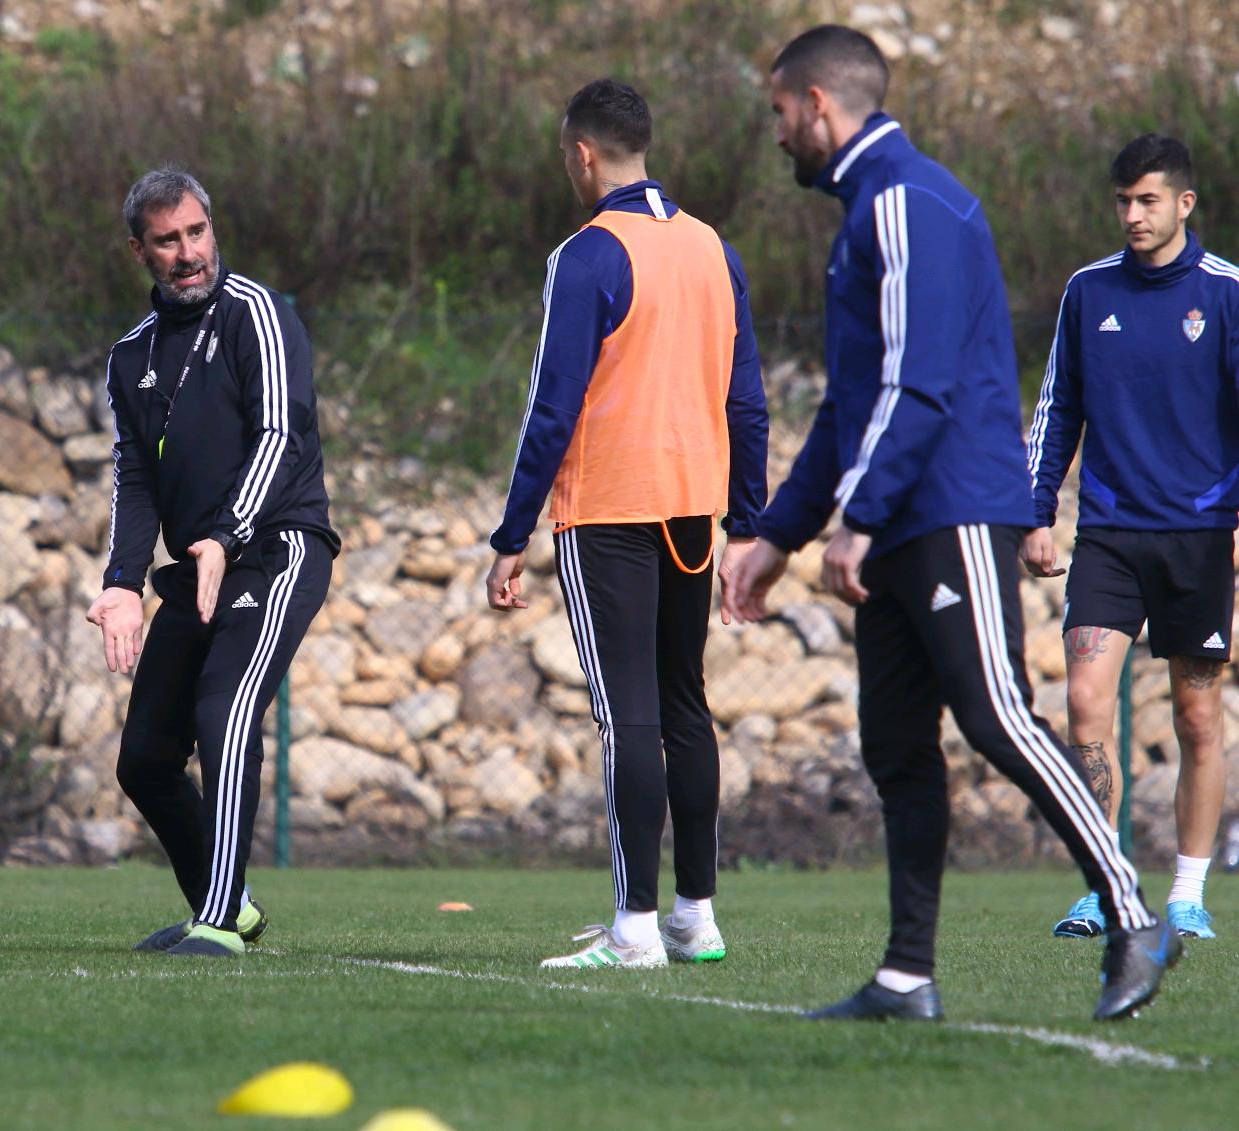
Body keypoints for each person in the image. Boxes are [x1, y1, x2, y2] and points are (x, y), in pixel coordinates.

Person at [723, 25, 1177, 1022]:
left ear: (814, 106)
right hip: (893, 523)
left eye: (776, 114)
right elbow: (848, 408)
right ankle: (903, 977)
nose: (774, 135)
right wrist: (776, 534)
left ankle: (1134, 914)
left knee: (996, 715)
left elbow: (915, 385)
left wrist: (858, 517)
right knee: (894, 743)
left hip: (947, 511)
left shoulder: (904, 202)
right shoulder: (867, 212)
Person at [484, 78, 768, 970]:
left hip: (606, 510)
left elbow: (551, 405)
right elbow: (748, 403)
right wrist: (749, 524)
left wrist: (511, 531)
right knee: (687, 707)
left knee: (629, 718)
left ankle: (635, 928)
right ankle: (696, 915)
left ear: (583, 155)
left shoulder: (589, 254)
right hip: (693, 513)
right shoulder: (714, 250)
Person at [88, 168, 339, 958]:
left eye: (197, 232)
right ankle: (225, 903)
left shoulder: (257, 314)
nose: (189, 252)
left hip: (275, 549)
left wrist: (226, 535)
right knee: (146, 759)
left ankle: (220, 917)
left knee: (224, 714)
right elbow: (134, 474)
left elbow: (278, 437)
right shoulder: (131, 356)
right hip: (198, 568)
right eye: (168, 240)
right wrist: (121, 583)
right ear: (140, 250)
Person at [1026, 134, 1239, 942]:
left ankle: (1186, 893)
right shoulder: (1089, 291)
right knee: (1084, 701)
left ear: (1185, 203)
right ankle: (1104, 883)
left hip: (1199, 535)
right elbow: (1057, 406)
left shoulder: (1225, 294)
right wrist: (1037, 511)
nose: (1133, 215)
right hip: (1109, 533)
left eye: (1148, 200)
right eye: (1123, 201)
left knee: (1195, 715)